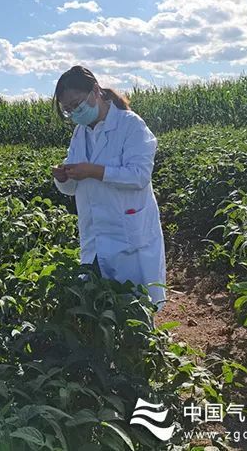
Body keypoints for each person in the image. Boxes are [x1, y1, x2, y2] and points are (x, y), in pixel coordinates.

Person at [52, 66, 166, 310]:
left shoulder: (131, 125)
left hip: (128, 232)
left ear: (95, 91)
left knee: (137, 306)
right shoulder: (80, 133)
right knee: (101, 304)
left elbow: (139, 175)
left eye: (76, 104)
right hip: (95, 232)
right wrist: (63, 177)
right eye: (68, 110)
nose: (74, 112)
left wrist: (94, 171)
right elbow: (73, 189)